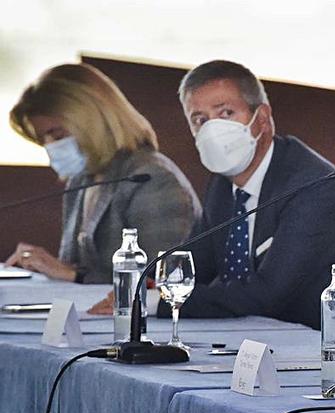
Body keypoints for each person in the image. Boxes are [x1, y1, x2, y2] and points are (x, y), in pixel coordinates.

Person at [167, 60, 335, 339]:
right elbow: (193, 265)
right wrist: (152, 286)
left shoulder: (312, 186)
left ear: (262, 119)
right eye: (200, 120)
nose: (213, 130)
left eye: (225, 113)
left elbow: (266, 294)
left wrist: (162, 301)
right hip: (269, 344)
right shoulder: (223, 187)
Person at [5, 63, 197, 283]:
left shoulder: (150, 177)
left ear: (92, 120)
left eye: (56, 135)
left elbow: (160, 281)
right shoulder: (81, 180)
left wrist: (72, 275)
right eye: (42, 140)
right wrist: (43, 266)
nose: (50, 148)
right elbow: (71, 267)